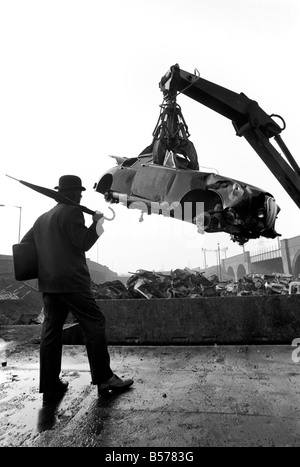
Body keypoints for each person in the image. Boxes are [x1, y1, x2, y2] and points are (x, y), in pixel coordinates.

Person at [20, 175, 133, 403]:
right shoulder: (72, 212)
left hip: (50, 285)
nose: (81, 196)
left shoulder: (42, 219)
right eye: (79, 193)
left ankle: (50, 383)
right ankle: (104, 378)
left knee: (51, 332)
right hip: (72, 282)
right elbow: (84, 243)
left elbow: (25, 244)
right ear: (72, 194)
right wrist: (97, 224)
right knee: (94, 322)